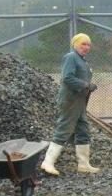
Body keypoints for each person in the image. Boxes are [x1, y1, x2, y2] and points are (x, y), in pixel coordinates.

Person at [40, 33, 99, 175]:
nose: (86, 47)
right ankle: (47, 162)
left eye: (88, 45)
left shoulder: (83, 61)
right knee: (65, 128)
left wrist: (89, 85)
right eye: (83, 44)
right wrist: (85, 85)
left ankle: (83, 164)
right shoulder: (71, 57)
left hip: (79, 102)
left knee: (83, 130)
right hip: (70, 100)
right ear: (75, 44)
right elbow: (67, 78)